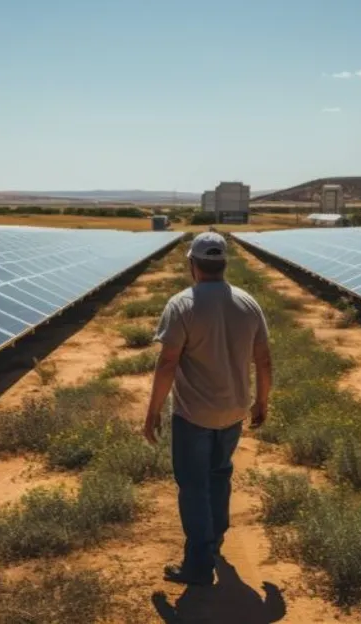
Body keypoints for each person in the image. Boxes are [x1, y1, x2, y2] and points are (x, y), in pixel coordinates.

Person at [142, 231, 273, 586]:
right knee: (219, 475)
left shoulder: (182, 305)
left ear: (192, 265)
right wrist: (262, 401)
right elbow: (263, 360)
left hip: (193, 415)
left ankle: (199, 564)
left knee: (194, 486)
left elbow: (167, 363)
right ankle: (215, 539)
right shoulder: (249, 303)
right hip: (233, 413)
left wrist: (152, 412)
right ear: (224, 263)